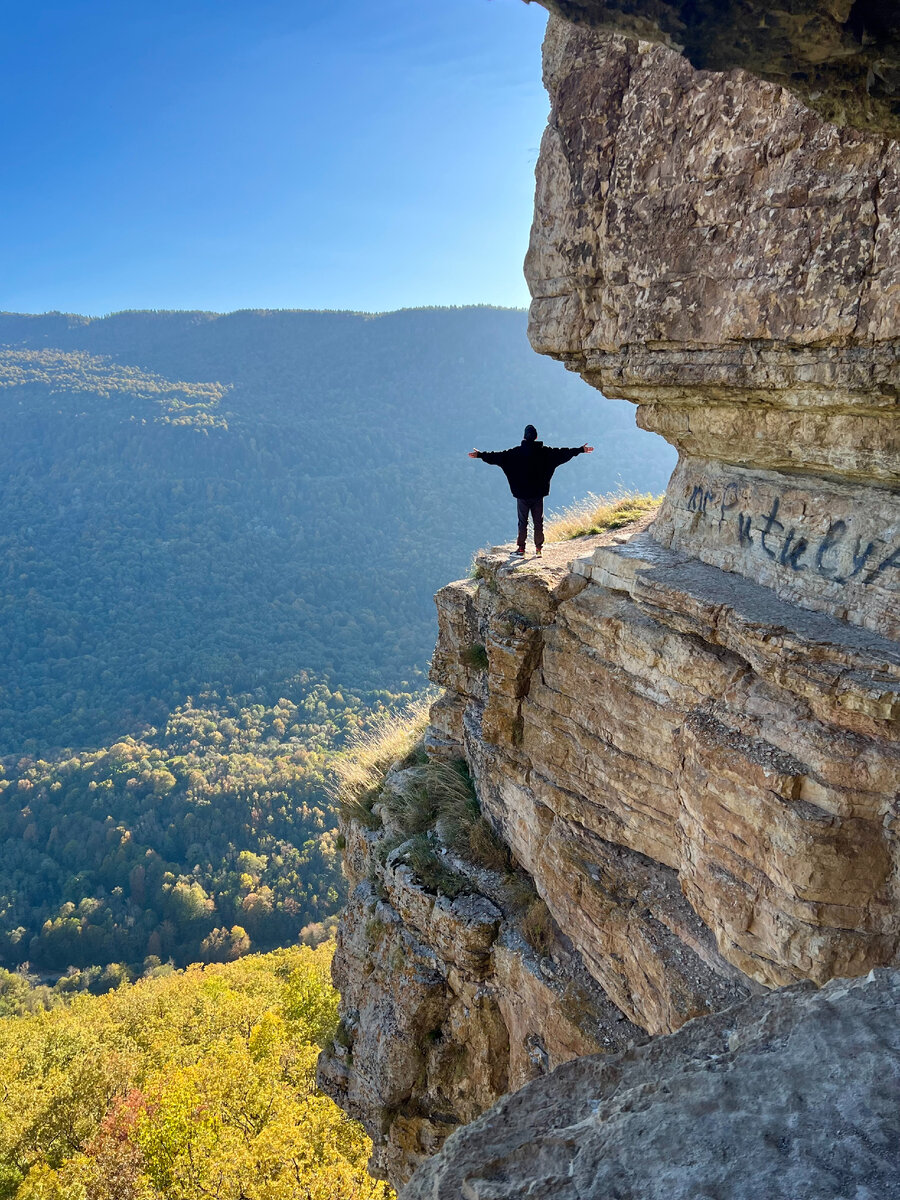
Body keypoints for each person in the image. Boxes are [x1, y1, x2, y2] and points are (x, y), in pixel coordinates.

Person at [469, 424, 594, 556]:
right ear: (536, 437)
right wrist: (580, 449)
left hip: (522, 495)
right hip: (538, 495)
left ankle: (521, 549)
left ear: (524, 437)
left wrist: (480, 455)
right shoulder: (546, 452)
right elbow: (563, 453)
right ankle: (538, 549)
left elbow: (496, 457)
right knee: (538, 522)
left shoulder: (514, 453)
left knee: (523, 522)